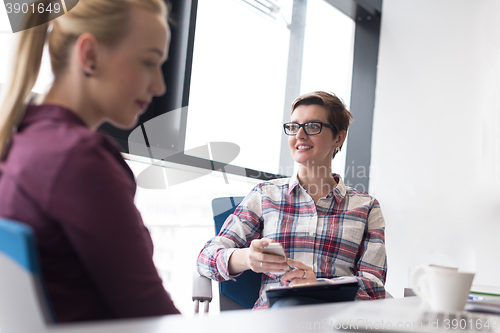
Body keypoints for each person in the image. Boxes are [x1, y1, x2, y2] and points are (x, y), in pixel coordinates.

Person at [0, 0, 180, 322]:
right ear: (90, 55)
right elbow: (148, 312)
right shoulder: (77, 159)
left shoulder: (21, 141)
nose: (159, 85)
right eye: (148, 62)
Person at [197, 91, 387, 308]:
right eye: (294, 127)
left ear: (339, 137)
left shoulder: (366, 207)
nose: (300, 135)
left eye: (313, 126)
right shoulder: (265, 195)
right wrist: (248, 257)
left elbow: (375, 286)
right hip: (275, 319)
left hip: (338, 319)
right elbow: (206, 258)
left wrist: (320, 285)